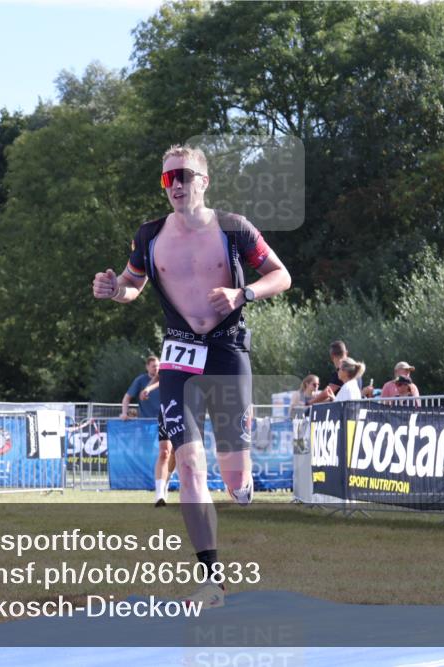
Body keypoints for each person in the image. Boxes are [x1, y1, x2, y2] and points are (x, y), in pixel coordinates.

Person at [92, 144, 291, 608]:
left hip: (226, 350)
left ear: (204, 180)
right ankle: (211, 579)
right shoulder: (150, 235)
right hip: (179, 354)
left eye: (184, 175)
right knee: (189, 465)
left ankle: (242, 479)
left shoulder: (234, 228)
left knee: (235, 474)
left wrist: (244, 294)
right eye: (167, 179)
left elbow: (281, 275)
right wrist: (112, 289)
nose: (176, 185)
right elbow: (132, 285)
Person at [121, 355, 175, 507]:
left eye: (157, 365)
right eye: (153, 366)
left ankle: (167, 479)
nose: (156, 368)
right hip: (161, 415)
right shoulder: (170, 354)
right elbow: (159, 377)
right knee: (164, 452)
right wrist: (147, 388)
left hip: (184, 409)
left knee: (175, 454)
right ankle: (159, 494)